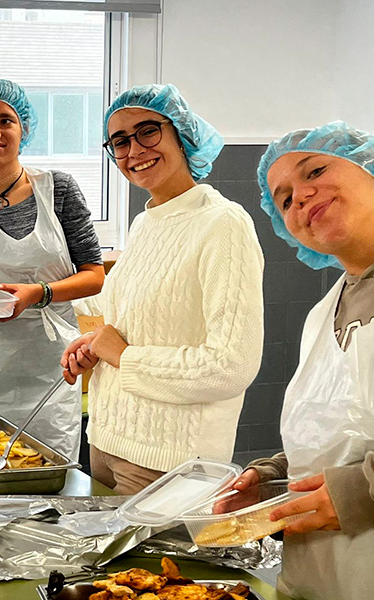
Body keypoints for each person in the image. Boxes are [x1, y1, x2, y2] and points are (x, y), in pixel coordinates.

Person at [221, 122, 374, 599]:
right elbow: (346, 436)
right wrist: (274, 483)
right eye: (283, 199)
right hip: (315, 582)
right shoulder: (323, 315)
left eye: (316, 170)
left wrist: (366, 494)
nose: (300, 197)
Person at [61, 84, 264, 494]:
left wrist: (123, 356)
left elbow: (231, 366)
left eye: (147, 131)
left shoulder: (223, 224)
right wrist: (95, 345)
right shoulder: (146, 223)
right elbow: (133, 324)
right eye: (119, 141)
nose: (134, 150)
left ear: (182, 135)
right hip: (105, 443)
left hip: (169, 463)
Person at [0, 79, 105, 460]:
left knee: (49, 482)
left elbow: (94, 275)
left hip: (50, 370)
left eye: (6, 120)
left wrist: (39, 294)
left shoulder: (59, 190)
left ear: (24, 129)